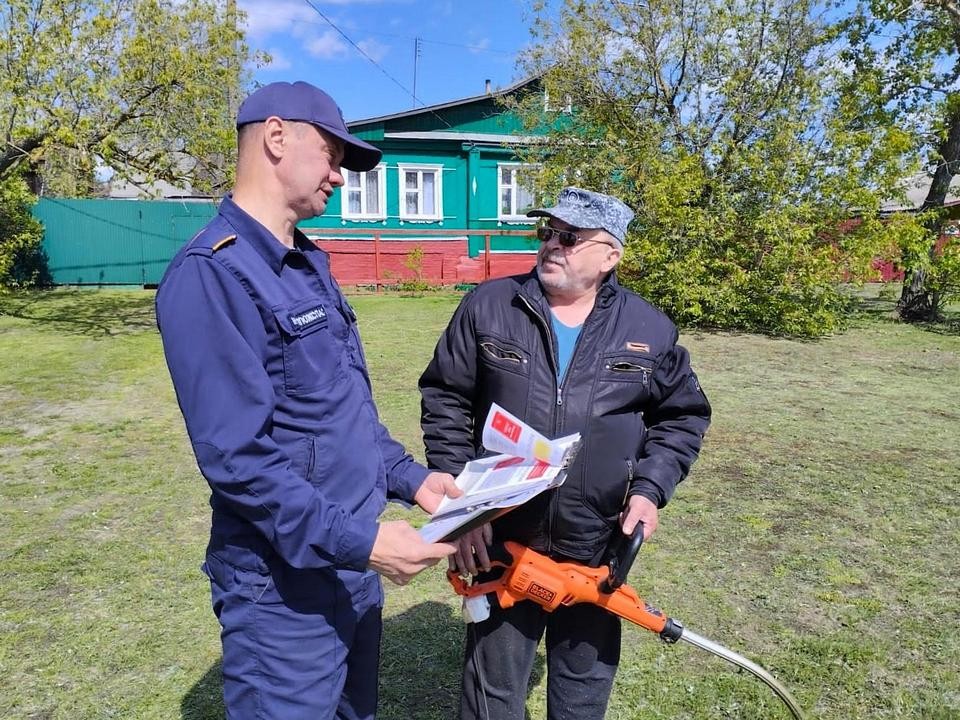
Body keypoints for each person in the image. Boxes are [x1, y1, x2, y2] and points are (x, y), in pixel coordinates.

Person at [156, 81, 459, 720]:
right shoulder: (214, 274)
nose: (340, 178)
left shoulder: (307, 262)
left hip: (349, 565)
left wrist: (414, 480)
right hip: (282, 589)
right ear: (275, 137)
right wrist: (363, 542)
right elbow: (238, 460)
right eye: (331, 155)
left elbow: (340, 409)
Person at [419, 187, 712, 720]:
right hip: (502, 538)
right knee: (491, 697)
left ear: (610, 255)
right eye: (547, 233)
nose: (552, 244)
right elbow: (446, 398)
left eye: (570, 237)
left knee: (581, 695)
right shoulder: (489, 305)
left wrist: (648, 491)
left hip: (598, 544)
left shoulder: (649, 328)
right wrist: (462, 508)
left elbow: (682, 416)